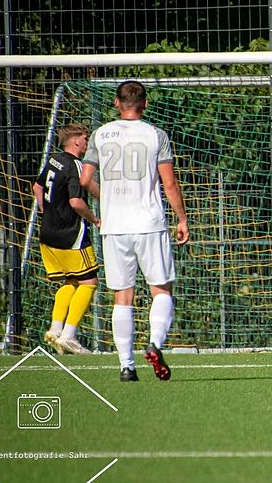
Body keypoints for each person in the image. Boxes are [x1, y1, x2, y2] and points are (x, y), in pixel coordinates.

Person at [80, 80, 189, 381]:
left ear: (117, 103)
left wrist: (108, 198)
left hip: (115, 226)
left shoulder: (101, 134)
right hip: (149, 223)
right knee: (161, 289)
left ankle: (126, 366)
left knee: (122, 296)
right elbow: (169, 183)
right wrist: (182, 218)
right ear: (145, 104)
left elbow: (85, 180)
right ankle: (155, 343)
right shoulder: (156, 135)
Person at [32, 123, 101, 355]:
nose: (87, 143)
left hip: (48, 233)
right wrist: (95, 220)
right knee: (89, 282)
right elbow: (76, 202)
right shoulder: (75, 165)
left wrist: (45, 211)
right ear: (75, 141)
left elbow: (37, 187)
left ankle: (55, 330)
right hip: (70, 235)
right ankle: (69, 336)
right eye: (85, 138)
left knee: (71, 282)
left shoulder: (54, 159)